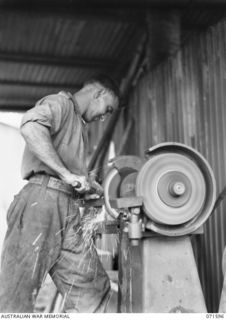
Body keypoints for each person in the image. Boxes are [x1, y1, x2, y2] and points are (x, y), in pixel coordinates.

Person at [0, 75, 120, 313]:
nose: (104, 117)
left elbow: (70, 177)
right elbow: (31, 126)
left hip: (66, 209)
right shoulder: (61, 104)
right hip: (40, 204)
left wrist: (86, 185)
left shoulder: (77, 125)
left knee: (93, 289)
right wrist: (66, 175)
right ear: (97, 94)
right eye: (107, 109)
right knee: (17, 294)